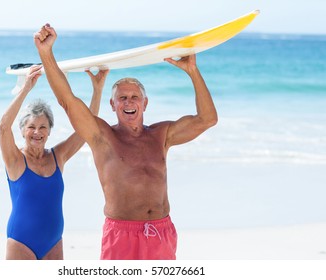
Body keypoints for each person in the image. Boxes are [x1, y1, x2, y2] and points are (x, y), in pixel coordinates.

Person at [34, 24, 218, 260]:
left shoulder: (162, 135)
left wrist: (192, 70)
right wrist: (46, 53)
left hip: (161, 233)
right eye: (122, 98)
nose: (129, 102)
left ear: (145, 103)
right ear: (113, 105)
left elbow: (207, 119)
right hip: (121, 234)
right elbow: (67, 101)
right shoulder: (102, 136)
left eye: (134, 97)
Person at [0, 64, 109, 260]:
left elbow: (87, 129)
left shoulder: (58, 156)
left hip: (54, 243)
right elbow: (3, 127)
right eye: (31, 127)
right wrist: (26, 88)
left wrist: (97, 89)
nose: (37, 132)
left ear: (50, 130)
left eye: (43, 127)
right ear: (23, 130)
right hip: (21, 243)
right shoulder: (15, 159)